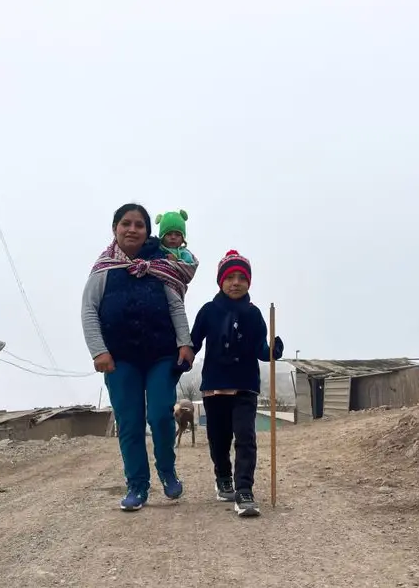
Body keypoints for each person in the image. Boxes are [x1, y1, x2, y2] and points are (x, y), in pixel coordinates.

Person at [81, 203, 197, 512]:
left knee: (160, 414)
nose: (132, 229)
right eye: (126, 223)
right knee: (130, 423)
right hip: (120, 360)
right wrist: (98, 350)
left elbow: (175, 306)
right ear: (115, 229)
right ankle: (137, 485)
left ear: (148, 231)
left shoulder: (161, 265)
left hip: (161, 355)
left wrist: (185, 342)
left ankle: (167, 470)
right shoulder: (104, 269)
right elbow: (89, 310)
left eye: (139, 225)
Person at [189, 250, 284, 517]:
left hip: (245, 385)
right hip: (215, 386)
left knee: (245, 437)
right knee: (219, 439)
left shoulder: (254, 314)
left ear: (249, 282)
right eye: (230, 276)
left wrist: (273, 351)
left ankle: (244, 490)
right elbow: (193, 344)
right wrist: (178, 362)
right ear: (220, 281)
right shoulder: (208, 311)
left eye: (242, 277)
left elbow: (259, 349)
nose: (236, 282)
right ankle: (223, 478)